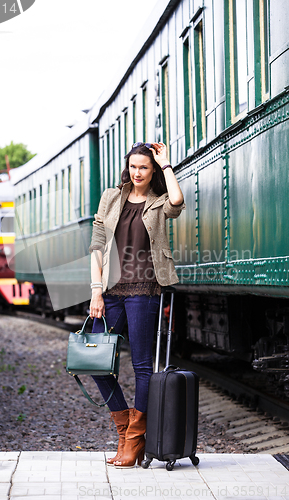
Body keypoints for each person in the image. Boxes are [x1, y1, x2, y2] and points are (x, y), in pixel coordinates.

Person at [89, 142, 185, 468]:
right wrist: (95, 291)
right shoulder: (111, 197)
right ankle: (125, 429)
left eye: (144, 167)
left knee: (142, 366)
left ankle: (133, 440)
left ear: (152, 170)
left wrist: (167, 164)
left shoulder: (158, 202)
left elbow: (178, 202)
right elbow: (97, 246)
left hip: (144, 290)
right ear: (127, 167)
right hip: (111, 291)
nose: (137, 172)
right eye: (133, 166)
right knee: (96, 361)